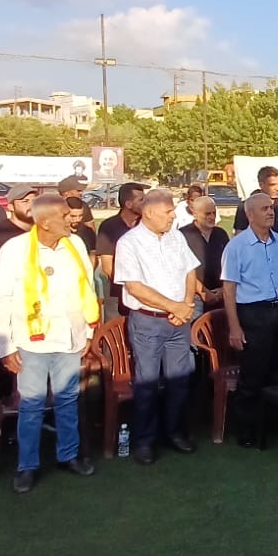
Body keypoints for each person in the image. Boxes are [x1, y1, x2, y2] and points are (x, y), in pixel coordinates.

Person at [0, 194, 99, 493]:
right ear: (45, 221)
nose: (71, 219)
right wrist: (6, 346)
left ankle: (68, 455)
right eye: (65, 215)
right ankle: (28, 465)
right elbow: (0, 299)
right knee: (32, 404)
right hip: (31, 340)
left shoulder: (75, 245)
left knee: (67, 400)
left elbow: (87, 288)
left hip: (71, 337)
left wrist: (88, 331)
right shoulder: (15, 249)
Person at [113, 187, 200, 462]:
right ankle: (144, 441)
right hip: (148, 322)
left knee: (179, 381)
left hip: (178, 322)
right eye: (168, 211)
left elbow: (190, 271)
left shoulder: (176, 236)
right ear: (149, 213)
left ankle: (174, 432)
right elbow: (135, 288)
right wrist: (175, 307)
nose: (174, 216)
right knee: (147, 383)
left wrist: (186, 303)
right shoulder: (129, 243)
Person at [221, 192, 278, 447]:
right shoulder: (237, 247)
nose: (271, 212)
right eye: (265, 208)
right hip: (254, 314)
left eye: (272, 208)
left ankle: (274, 422)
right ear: (250, 214)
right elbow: (229, 289)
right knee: (253, 374)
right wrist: (234, 327)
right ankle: (246, 430)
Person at [96, 182, 146, 322]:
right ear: (128, 204)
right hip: (117, 293)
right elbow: (107, 266)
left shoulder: (146, 225)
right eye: (141, 200)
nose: (145, 203)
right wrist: (129, 287)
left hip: (145, 294)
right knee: (115, 329)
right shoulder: (109, 227)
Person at [179, 195, 229, 315]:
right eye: (207, 214)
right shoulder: (183, 235)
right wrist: (202, 291)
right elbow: (181, 269)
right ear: (195, 214)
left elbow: (230, 264)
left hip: (221, 295)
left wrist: (224, 289)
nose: (212, 217)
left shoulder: (221, 234)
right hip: (194, 297)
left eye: (214, 213)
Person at [234, 166, 278, 253]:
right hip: (253, 255)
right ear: (261, 185)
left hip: (277, 254)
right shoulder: (246, 206)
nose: (277, 188)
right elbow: (239, 237)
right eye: (272, 185)